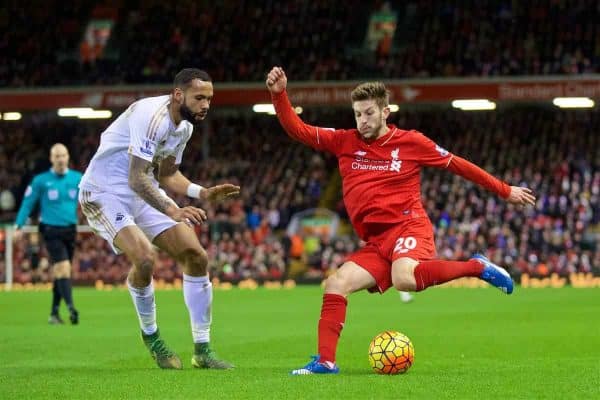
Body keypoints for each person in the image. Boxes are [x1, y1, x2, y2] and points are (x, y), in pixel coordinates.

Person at [266, 66, 536, 375]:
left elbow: (458, 165)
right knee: (335, 283)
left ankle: (476, 267)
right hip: (378, 242)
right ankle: (326, 361)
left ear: (386, 112)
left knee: (404, 277)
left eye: (369, 113)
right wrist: (279, 95)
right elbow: (297, 129)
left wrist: (504, 191)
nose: (362, 121)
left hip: (409, 227)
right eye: (357, 114)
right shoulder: (344, 141)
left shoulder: (411, 142)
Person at [79, 68, 240, 370]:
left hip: (140, 190)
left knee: (196, 255)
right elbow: (137, 177)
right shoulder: (149, 116)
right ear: (178, 95)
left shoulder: (185, 128)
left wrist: (201, 193)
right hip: (104, 190)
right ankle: (152, 337)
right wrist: (172, 210)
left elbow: (166, 174)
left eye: (210, 98)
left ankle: (202, 350)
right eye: (200, 97)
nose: (206, 104)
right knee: (144, 258)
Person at [14, 143, 82, 325]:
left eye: (63, 155)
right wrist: (19, 225)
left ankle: (54, 313)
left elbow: (91, 198)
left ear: (68, 157)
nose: (60, 159)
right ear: (51, 159)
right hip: (50, 229)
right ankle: (71, 308)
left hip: (70, 229)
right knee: (63, 267)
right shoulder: (41, 181)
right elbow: (28, 203)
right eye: (57, 156)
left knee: (61, 272)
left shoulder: (77, 178)